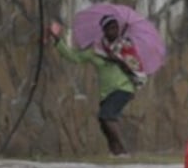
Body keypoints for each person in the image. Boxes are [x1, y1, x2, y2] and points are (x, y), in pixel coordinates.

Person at [48, 15, 147, 157]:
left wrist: (118, 60)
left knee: (106, 115)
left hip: (124, 88)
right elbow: (74, 57)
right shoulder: (95, 50)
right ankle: (115, 151)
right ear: (104, 30)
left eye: (116, 27)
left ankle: (123, 151)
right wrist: (57, 40)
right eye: (111, 28)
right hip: (106, 92)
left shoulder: (125, 46)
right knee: (103, 120)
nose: (115, 31)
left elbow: (134, 67)